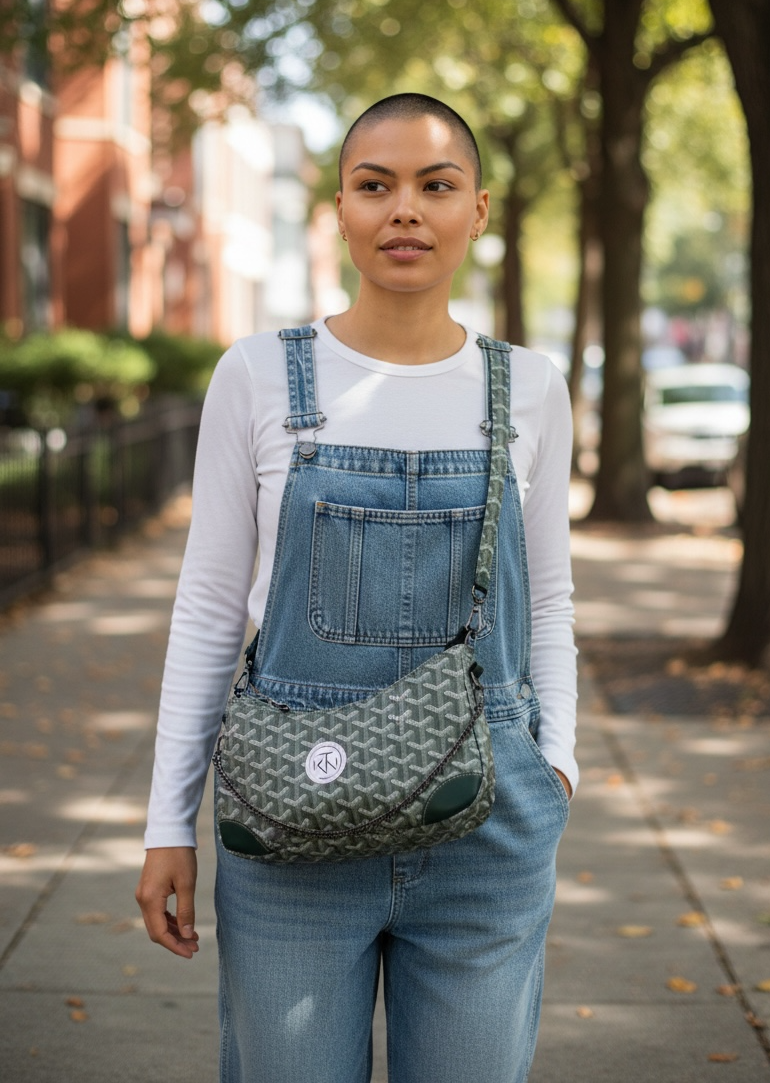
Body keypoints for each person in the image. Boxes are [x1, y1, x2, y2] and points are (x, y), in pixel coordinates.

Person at [136, 92, 578, 1083]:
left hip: (489, 827)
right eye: (374, 187)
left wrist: (559, 765)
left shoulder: (529, 387)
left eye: (436, 185)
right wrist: (168, 822)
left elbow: (548, 599)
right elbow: (209, 606)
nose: (404, 210)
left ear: (480, 210)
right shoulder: (255, 376)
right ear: (338, 210)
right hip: (290, 823)